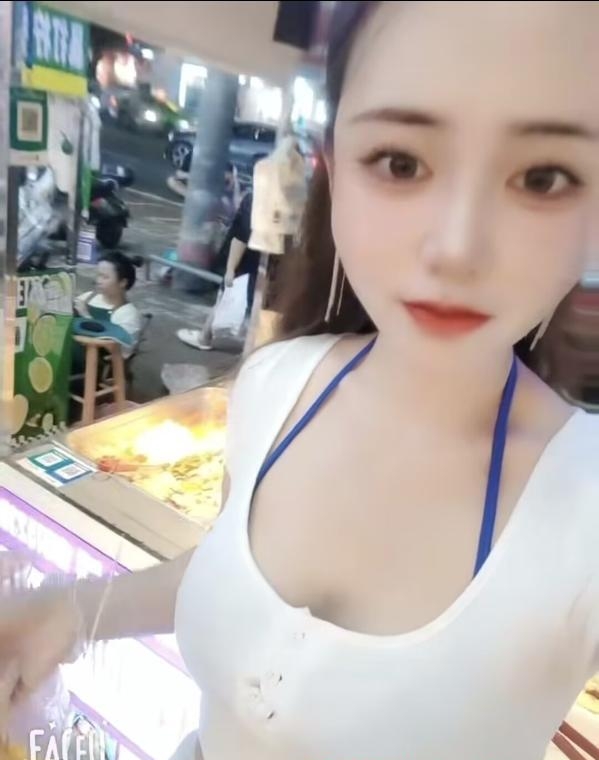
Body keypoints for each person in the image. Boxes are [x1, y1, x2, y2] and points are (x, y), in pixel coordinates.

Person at [1, 3, 599, 760]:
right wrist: (67, 612)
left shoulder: (585, 502)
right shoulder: (277, 385)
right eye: (400, 162)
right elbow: (225, 584)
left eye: (543, 178)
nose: (457, 247)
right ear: (334, 169)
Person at [176, 191, 259, 350]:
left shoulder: (256, 198)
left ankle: (205, 338)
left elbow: (241, 237)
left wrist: (230, 269)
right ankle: (205, 337)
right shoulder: (285, 200)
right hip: (262, 264)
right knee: (236, 301)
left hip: (246, 262)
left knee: (228, 298)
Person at [75, 251, 143, 360]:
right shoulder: (89, 297)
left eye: (105, 277)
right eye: (98, 275)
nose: (98, 281)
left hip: (94, 363)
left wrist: (86, 317)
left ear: (123, 282)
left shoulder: (128, 314)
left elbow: (121, 351)